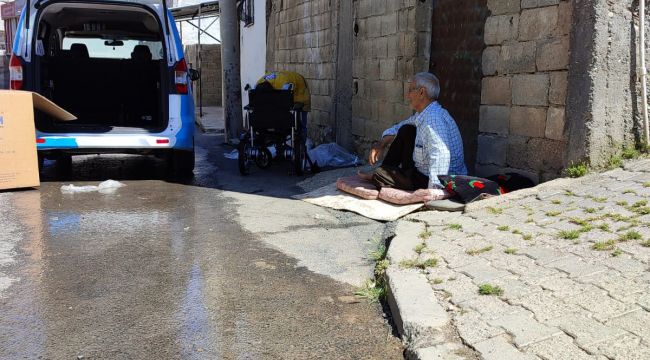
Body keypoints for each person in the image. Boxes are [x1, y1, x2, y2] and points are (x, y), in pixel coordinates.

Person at [359, 72, 467, 191]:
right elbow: (399, 127)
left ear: (421, 92)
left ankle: (382, 175)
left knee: (380, 174)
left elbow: (441, 153)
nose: (407, 96)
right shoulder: (425, 114)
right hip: (421, 170)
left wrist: (434, 190)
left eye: (410, 90)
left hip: (442, 179)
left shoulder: (433, 119)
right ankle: (386, 173)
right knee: (406, 130)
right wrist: (381, 144)